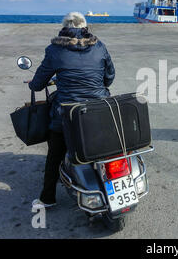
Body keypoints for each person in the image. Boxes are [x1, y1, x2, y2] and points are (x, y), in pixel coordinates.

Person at [28, 12, 115, 209]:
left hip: (67, 114)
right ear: (85, 26)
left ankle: (47, 198)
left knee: (54, 154)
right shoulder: (99, 46)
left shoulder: (55, 50)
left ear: (64, 27)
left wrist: (32, 85)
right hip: (98, 110)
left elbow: (39, 83)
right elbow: (110, 77)